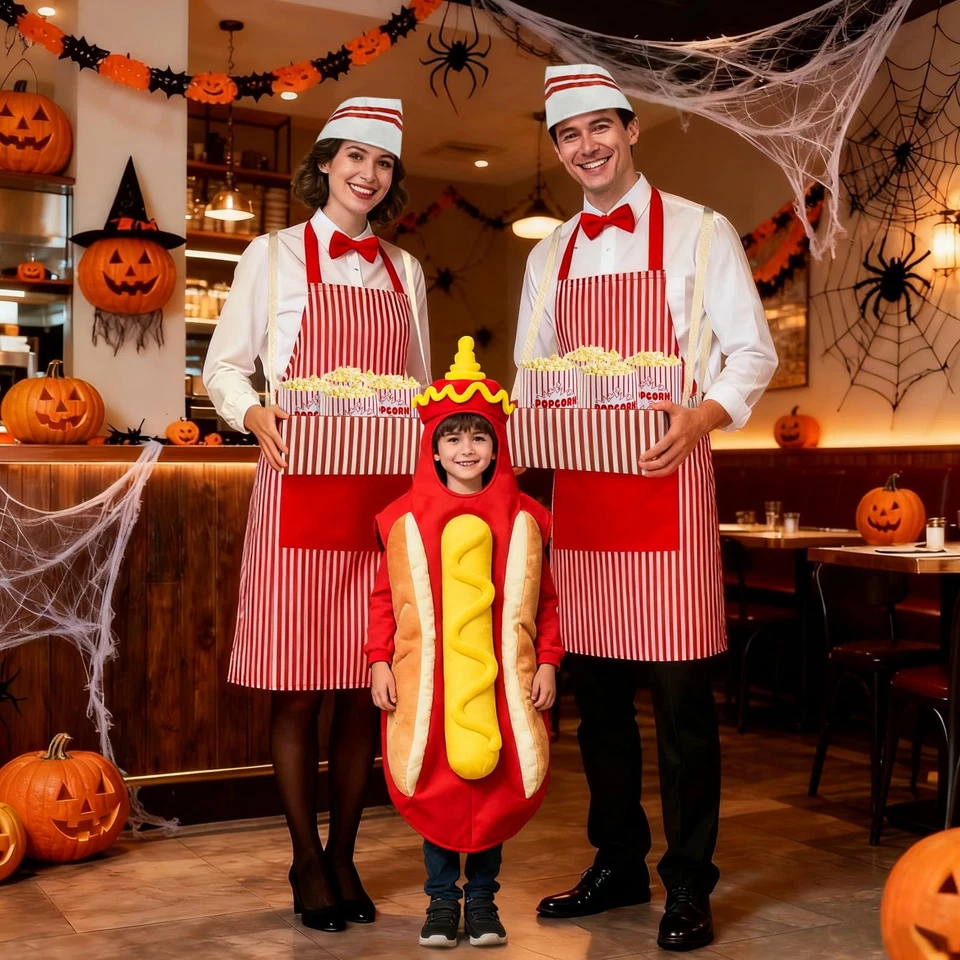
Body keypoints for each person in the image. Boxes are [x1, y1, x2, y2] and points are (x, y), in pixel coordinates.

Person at [514, 65, 778, 951]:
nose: (586, 146)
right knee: (597, 700)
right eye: (568, 135)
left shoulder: (704, 234)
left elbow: (750, 354)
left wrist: (701, 414)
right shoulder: (547, 257)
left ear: (630, 131)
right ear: (558, 150)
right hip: (586, 499)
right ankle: (618, 862)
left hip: (671, 489)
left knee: (680, 705)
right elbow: (533, 371)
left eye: (600, 128)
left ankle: (689, 883)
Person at [203, 97, 430, 934]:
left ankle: (345, 854)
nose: (367, 175)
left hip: (381, 504)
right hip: (298, 495)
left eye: (383, 165)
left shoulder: (405, 272)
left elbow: (419, 387)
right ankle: (305, 857)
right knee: (299, 693)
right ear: (327, 163)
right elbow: (224, 366)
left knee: (368, 695)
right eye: (354, 158)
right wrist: (253, 412)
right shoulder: (272, 255)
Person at [365, 338, 563, 948]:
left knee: (494, 782)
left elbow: (546, 600)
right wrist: (378, 661)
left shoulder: (526, 517)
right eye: (453, 438)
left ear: (496, 447)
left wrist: (550, 662)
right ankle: (438, 902)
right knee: (438, 784)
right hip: (429, 679)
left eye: (478, 437)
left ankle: (482, 902)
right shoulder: (402, 519)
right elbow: (384, 600)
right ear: (433, 448)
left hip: (504, 679)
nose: (466, 449)